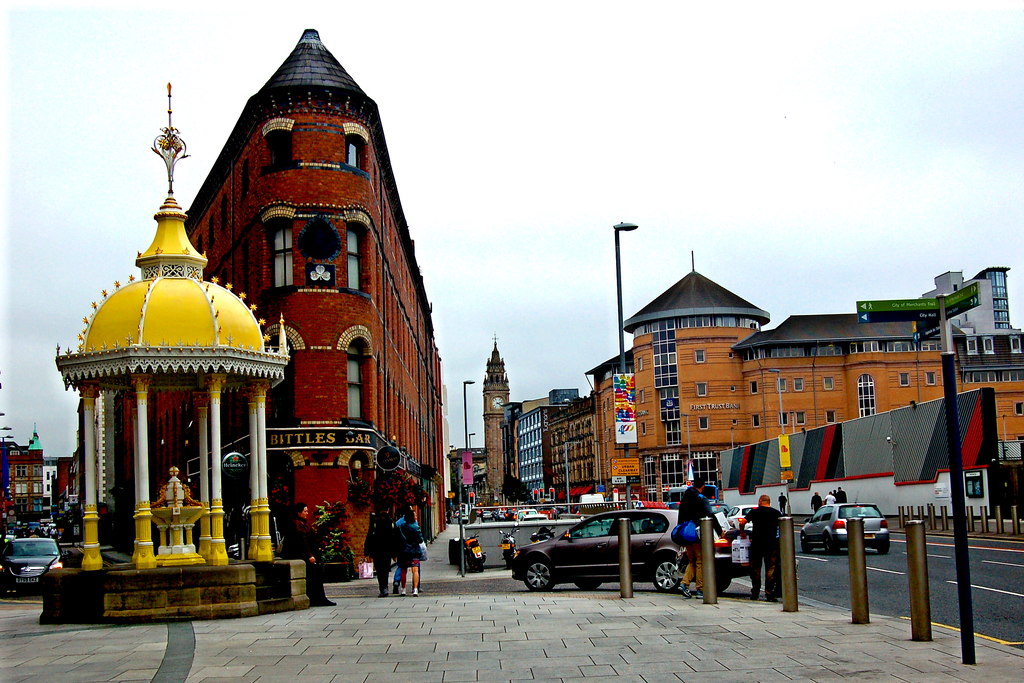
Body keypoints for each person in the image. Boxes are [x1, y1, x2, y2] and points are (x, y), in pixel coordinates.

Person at [676, 478, 723, 599]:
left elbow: (680, 518)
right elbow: (710, 514)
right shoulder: (701, 498)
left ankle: (684, 583)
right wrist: (719, 530)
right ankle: (700, 589)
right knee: (700, 561)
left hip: (686, 534)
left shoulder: (685, 498)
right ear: (702, 487)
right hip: (696, 533)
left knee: (692, 560)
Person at [281, 502, 335, 607]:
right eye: (305, 511)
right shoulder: (297, 524)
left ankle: (318, 599)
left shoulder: (300, 523)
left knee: (315, 574)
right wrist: (310, 555)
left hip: (303, 555)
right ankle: (319, 599)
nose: (307, 513)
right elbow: (302, 542)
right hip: (302, 556)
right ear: (298, 512)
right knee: (315, 574)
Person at [745, 494, 783, 601]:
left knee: (755, 568)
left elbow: (742, 522)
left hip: (757, 543)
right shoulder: (776, 513)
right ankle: (769, 593)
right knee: (771, 568)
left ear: (760, 501)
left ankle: (755, 592)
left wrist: (743, 532)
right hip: (771, 544)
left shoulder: (755, 511)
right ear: (769, 502)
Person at [364, 510, 397, 598]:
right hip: (387, 550)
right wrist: (394, 553)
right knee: (385, 569)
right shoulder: (391, 522)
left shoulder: (375, 522)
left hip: (376, 550)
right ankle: (385, 587)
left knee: (379, 570)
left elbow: (369, 537)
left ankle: (382, 588)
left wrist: (367, 552)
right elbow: (394, 538)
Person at [395, 508, 423, 596]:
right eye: (415, 515)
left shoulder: (401, 527)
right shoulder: (416, 527)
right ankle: (415, 590)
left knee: (404, 570)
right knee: (415, 570)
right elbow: (420, 539)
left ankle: (403, 590)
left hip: (403, 552)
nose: (416, 517)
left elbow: (398, 539)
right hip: (414, 551)